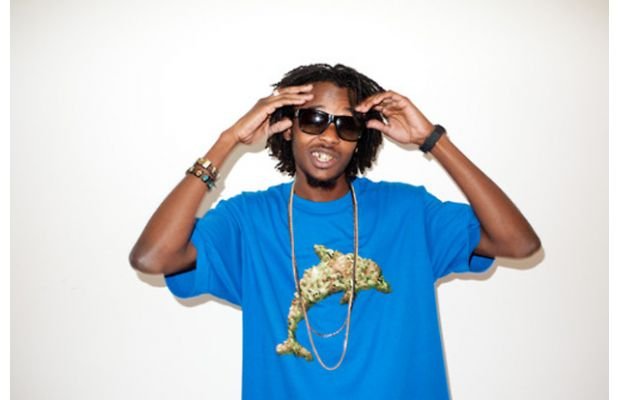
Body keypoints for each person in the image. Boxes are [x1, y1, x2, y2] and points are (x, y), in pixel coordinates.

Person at [129, 63, 541, 399]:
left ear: (360, 139)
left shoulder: (409, 211)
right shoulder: (248, 220)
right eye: (314, 120)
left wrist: (433, 140)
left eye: (346, 126)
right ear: (287, 127)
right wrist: (228, 141)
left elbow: (519, 243)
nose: (329, 136)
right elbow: (152, 257)